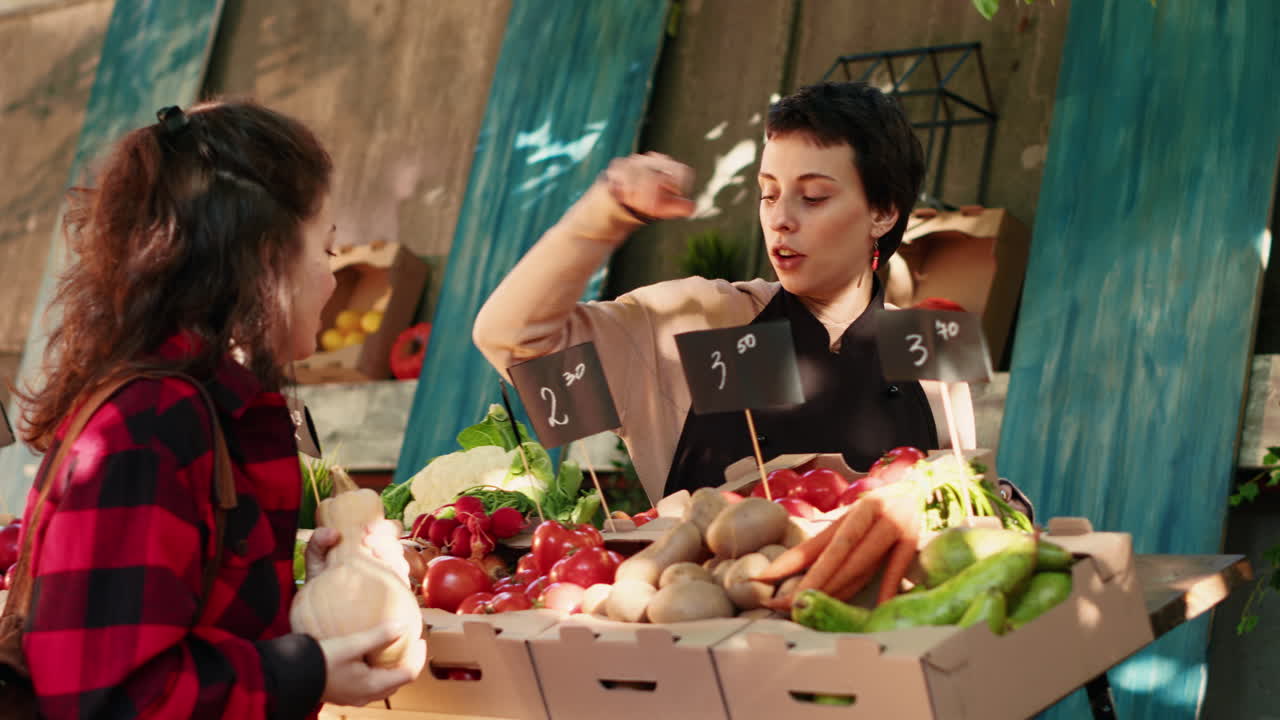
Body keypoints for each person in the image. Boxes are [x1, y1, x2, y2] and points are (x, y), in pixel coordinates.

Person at [474, 82, 1031, 604]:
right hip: (714, 653)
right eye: (768, 195)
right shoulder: (701, 318)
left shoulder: (931, 344)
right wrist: (609, 211)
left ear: (883, 213)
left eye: (812, 197)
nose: (781, 220)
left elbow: (954, 522)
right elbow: (510, 338)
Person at [10, 100, 424, 719]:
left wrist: (300, 600)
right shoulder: (152, 423)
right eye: (326, 250)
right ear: (266, 258)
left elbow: (177, 631)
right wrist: (302, 672)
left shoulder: (204, 408)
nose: (332, 280)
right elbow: (112, 698)